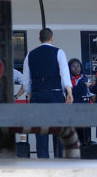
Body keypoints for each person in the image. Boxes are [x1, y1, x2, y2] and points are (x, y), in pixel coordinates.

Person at [22, 28, 73, 158]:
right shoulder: (59, 52)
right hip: (55, 95)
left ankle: (43, 161)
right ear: (52, 38)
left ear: (39, 39)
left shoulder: (30, 55)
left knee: (40, 133)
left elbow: (26, 80)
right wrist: (69, 91)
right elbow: (64, 73)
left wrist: (29, 93)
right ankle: (59, 161)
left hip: (38, 96)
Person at [68, 57, 93, 146]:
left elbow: (92, 95)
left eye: (78, 66)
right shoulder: (67, 81)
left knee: (85, 135)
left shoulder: (86, 80)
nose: (76, 68)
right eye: (73, 66)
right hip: (71, 111)